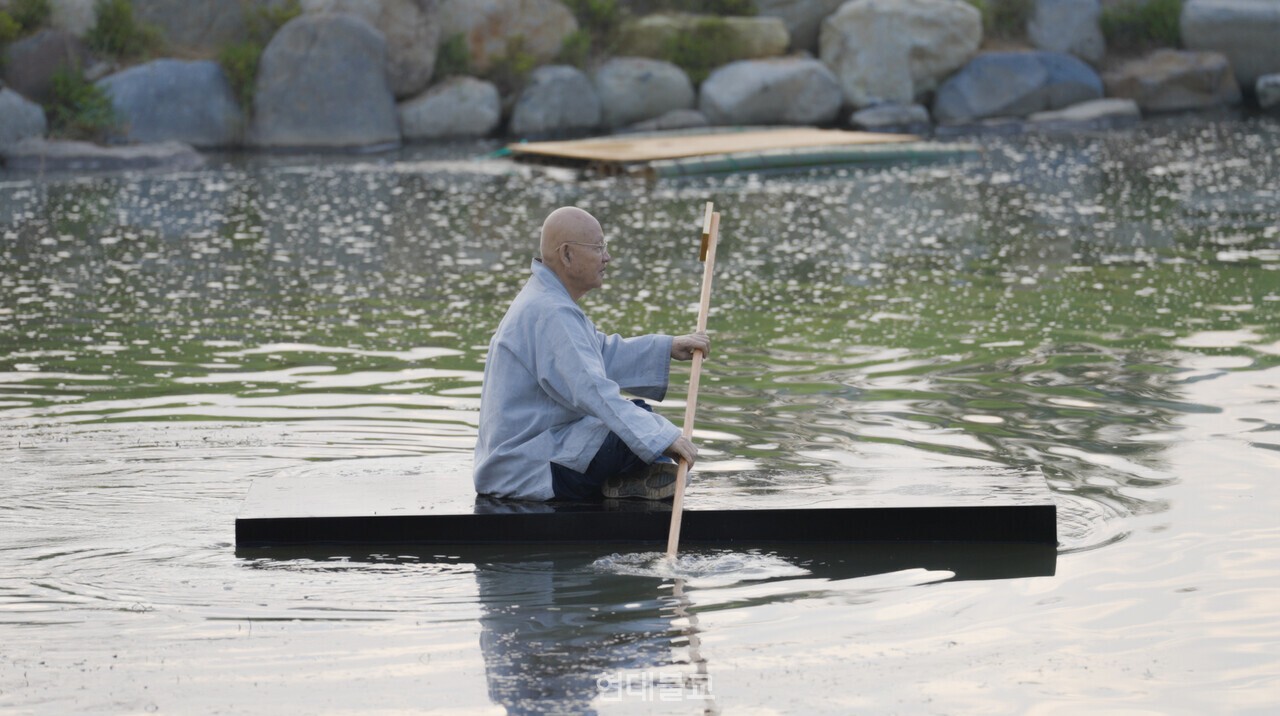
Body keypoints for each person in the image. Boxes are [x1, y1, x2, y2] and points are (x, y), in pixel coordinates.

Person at [473, 206, 709, 501]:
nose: (606, 257)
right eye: (598, 248)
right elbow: (592, 389)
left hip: (533, 453)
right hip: (527, 467)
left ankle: (638, 477)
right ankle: (643, 475)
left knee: (639, 417)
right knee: (632, 434)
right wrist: (664, 437)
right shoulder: (550, 311)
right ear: (567, 254)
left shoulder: (547, 300)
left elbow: (599, 355)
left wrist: (667, 347)